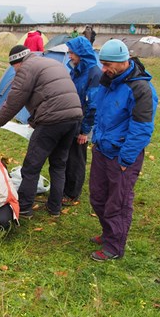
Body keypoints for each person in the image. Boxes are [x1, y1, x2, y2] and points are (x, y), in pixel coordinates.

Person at [0, 45, 82, 217]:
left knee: (31, 167)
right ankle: (54, 208)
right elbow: (49, 94)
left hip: (52, 121)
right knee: (59, 165)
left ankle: (24, 208)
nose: (14, 71)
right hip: (74, 118)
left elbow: (14, 101)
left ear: (17, 63)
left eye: (13, 68)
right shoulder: (49, 62)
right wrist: (34, 121)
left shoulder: (26, 69)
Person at [88, 39, 158, 261]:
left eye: (108, 64)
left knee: (117, 203)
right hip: (102, 149)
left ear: (123, 62)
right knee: (98, 197)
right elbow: (99, 111)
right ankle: (108, 232)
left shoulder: (140, 89)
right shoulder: (108, 81)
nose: (103, 69)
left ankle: (114, 246)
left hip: (121, 155)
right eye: (102, 64)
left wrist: (125, 159)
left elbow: (142, 128)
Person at [61, 36, 101, 206]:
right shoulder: (76, 69)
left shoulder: (94, 73)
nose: (69, 56)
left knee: (76, 158)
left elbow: (93, 104)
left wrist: (85, 130)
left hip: (82, 121)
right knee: (67, 156)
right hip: (71, 118)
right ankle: (64, 187)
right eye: (69, 52)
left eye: (72, 53)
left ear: (81, 53)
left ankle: (72, 193)